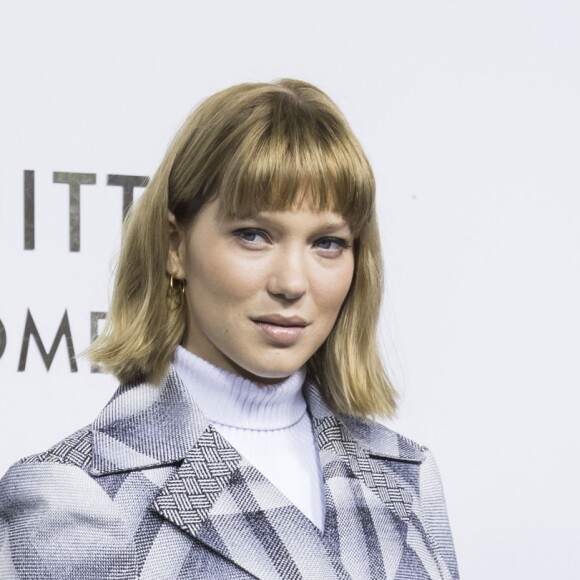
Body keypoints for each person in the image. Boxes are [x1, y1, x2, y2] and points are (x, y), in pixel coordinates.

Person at [0, 79, 459, 579]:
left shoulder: (405, 475)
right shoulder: (76, 495)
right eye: (253, 235)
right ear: (176, 246)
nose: (292, 283)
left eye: (327, 243)